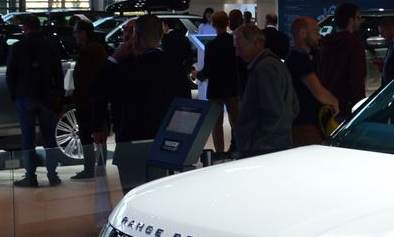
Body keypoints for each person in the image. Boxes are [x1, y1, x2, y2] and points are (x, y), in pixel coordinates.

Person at [91, 15, 193, 190]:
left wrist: (114, 59)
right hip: (164, 143)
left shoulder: (126, 68)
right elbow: (185, 105)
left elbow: (96, 88)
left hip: (130, 142)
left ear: (136, 37)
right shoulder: (175, 67)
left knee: (133, 193)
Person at [6, 16, 66, 188]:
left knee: (28, 139)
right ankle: (53, 175)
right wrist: (59, 99)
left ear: (25, 27)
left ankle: (30, 176)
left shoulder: (18, 47)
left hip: (25, 97)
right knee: (49, 138)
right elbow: (58, 75)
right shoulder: (50, 46)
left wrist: (14, 96)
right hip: (47, 97)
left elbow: (10, 75)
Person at [233, 23, 296, 157]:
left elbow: (274, 110)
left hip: (263, 148)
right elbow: (294, 106)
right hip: (276, 143)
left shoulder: (264, 68)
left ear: (255, 42)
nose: (237, 53)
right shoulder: (275, 64)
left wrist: (254, 141)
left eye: (240, 47)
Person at [287, 16, 338, 146]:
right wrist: (335, 103)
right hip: (304, 126)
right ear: (303, 33)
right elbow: (318, 91)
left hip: (304, 123)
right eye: (315, 32)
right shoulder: (299, 59)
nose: (319, 36)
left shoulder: (299, 57)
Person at [70, 17, 110, 180]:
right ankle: (100, 167)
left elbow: (85, 79)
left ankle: (90, 168)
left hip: (87, 101)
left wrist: (78, 96)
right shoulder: (99, 49)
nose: (74, 35)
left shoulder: (88, 51)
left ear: (83, 33)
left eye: (76, 32)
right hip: (97, 99)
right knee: (99, 135)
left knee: (87, 135)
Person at [197, 12, 241, 155]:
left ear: (213, 25)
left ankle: (220, 153)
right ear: (227, 23)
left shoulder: (211, 46)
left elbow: (208, 70)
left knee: (217, 125)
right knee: (236, 123)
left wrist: (197, 75)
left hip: (216, 89)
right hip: (233, 87)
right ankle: (240, 148)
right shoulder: (235, 43)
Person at [317, 2, 366, 114]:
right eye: (358, 17)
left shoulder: (326, 43)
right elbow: (357, 79)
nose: (360, 21)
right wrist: (360, 106)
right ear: (351, 20)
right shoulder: (354, 44)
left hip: (326, 103)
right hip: (347, 106)